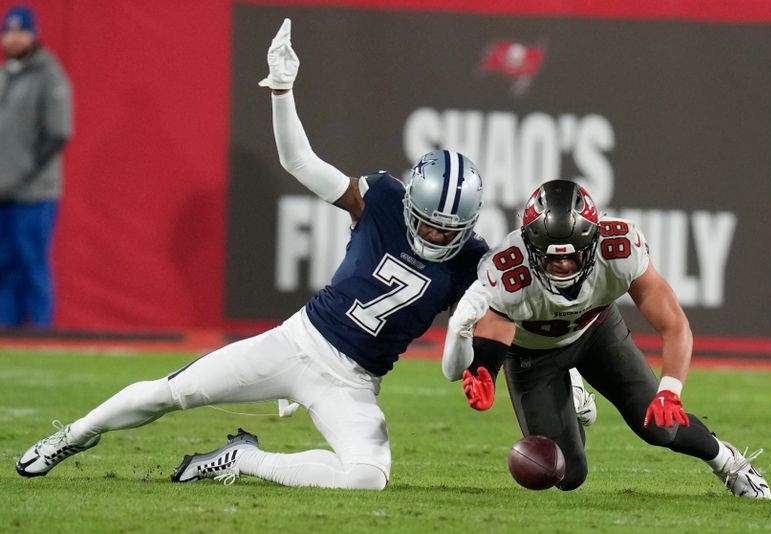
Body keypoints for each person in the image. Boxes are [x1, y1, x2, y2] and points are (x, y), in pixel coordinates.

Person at [16, 18, 490, 490]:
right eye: (428, 220)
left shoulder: (471, 260)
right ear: (411, 202)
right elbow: (299, 162)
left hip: (354, 382)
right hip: (297, 343)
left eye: (449, 228)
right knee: (171, 393)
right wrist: (281, 90)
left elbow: (452, 369)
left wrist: (464, 332)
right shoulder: (383, 198)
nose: (435, 233)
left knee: (367, 477)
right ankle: (74, 435)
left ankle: (245, 459)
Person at [442, 179, 771, 499]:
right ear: (530, 246)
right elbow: (495, 329)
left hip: (595, 333)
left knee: (660, 427)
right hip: (532, 355)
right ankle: (569, 387)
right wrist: (485, 369)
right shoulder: (507, 268)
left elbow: (674, 326)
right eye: (552, 257)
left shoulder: (620, 249)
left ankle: (728, 462)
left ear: (593, 242)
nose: (563, 266)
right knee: (565, 474)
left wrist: (670, 391)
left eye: (572, 255)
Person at [0, 5, 72, 327]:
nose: (12, 38)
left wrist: (22, 174)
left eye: (20, 31)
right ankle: (7, 335)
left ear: (33, 34)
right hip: (4, 193)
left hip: (34, 192)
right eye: (8, 31)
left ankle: (43, 336)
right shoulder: (5, 75)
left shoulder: (49, 74)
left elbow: (58, 134)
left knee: (32, 264)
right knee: (4, 266)